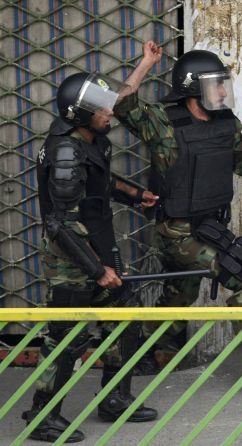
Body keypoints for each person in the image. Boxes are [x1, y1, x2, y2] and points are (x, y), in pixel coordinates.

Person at [113, 42, 242, 394]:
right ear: (193, 89)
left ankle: (147, 350)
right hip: (176, 230)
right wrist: (146, 63)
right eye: (215, 83)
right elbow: (121, 104)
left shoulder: (225, 123)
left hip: (210, 226)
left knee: (179, 293)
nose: (222, 90)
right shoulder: (163, 122)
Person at [24, 72, 160, 443]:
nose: (109, 112)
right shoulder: (65, 150)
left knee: (127, 316)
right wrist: (97, 270)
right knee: (67, 336)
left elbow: (99, 183)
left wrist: (136, 195)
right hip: (72, 260)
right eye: (101, 107)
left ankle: (115, 397)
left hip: (96, 252)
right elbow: (58, 225)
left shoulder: (91, 142)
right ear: (79, 112)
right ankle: (43, 415)